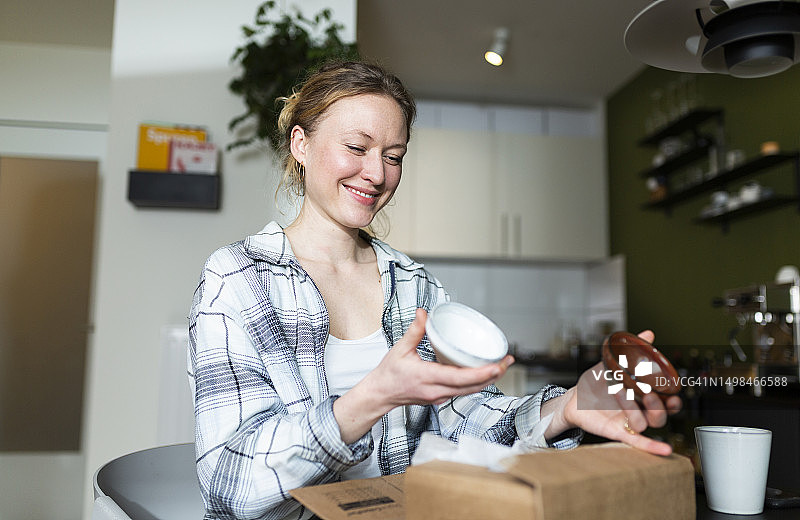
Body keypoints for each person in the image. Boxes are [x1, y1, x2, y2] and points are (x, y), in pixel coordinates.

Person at [188, 61, 681, 520]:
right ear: (301, 144)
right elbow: (230, 481)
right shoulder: (237, 278)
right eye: (357, 149)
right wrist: (371, 398)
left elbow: (467, 419)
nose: (377, 174)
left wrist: (567, 406)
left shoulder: (415, 285)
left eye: (394, 156)